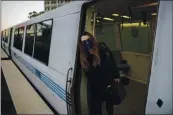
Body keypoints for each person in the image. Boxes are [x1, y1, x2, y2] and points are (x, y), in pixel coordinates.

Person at [79, 31, 120, 115]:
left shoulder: (103, 49)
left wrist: (116, 76)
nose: (87, 43)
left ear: (92, 40)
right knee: (96, 110)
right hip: (95, 90)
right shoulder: (84, 57)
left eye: (88, 40)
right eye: (84, 42)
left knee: (109, 108)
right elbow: (90, 76)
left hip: (108, 85)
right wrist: (90, 55)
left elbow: (112, 63)